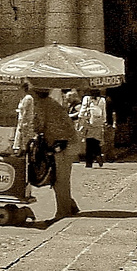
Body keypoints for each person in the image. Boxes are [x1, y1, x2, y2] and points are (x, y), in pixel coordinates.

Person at [32, 87, 79, 220]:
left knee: (60, 180)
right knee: (61, 177)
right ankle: (70, 204)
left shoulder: (42, 104)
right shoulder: (51, 102)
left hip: (63, 144)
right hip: (67, 141)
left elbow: (38, 126)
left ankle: (63, 212)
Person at [77, 89, 109, 168]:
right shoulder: (102, 100)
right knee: (96, 140)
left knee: (89, 142)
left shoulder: (86, 98)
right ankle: (98, 154)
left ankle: (89, 162)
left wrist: (80, 118)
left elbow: (83, 109)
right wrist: (104, 121)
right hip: (98, 122)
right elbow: (103, 111)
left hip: (88, 122)